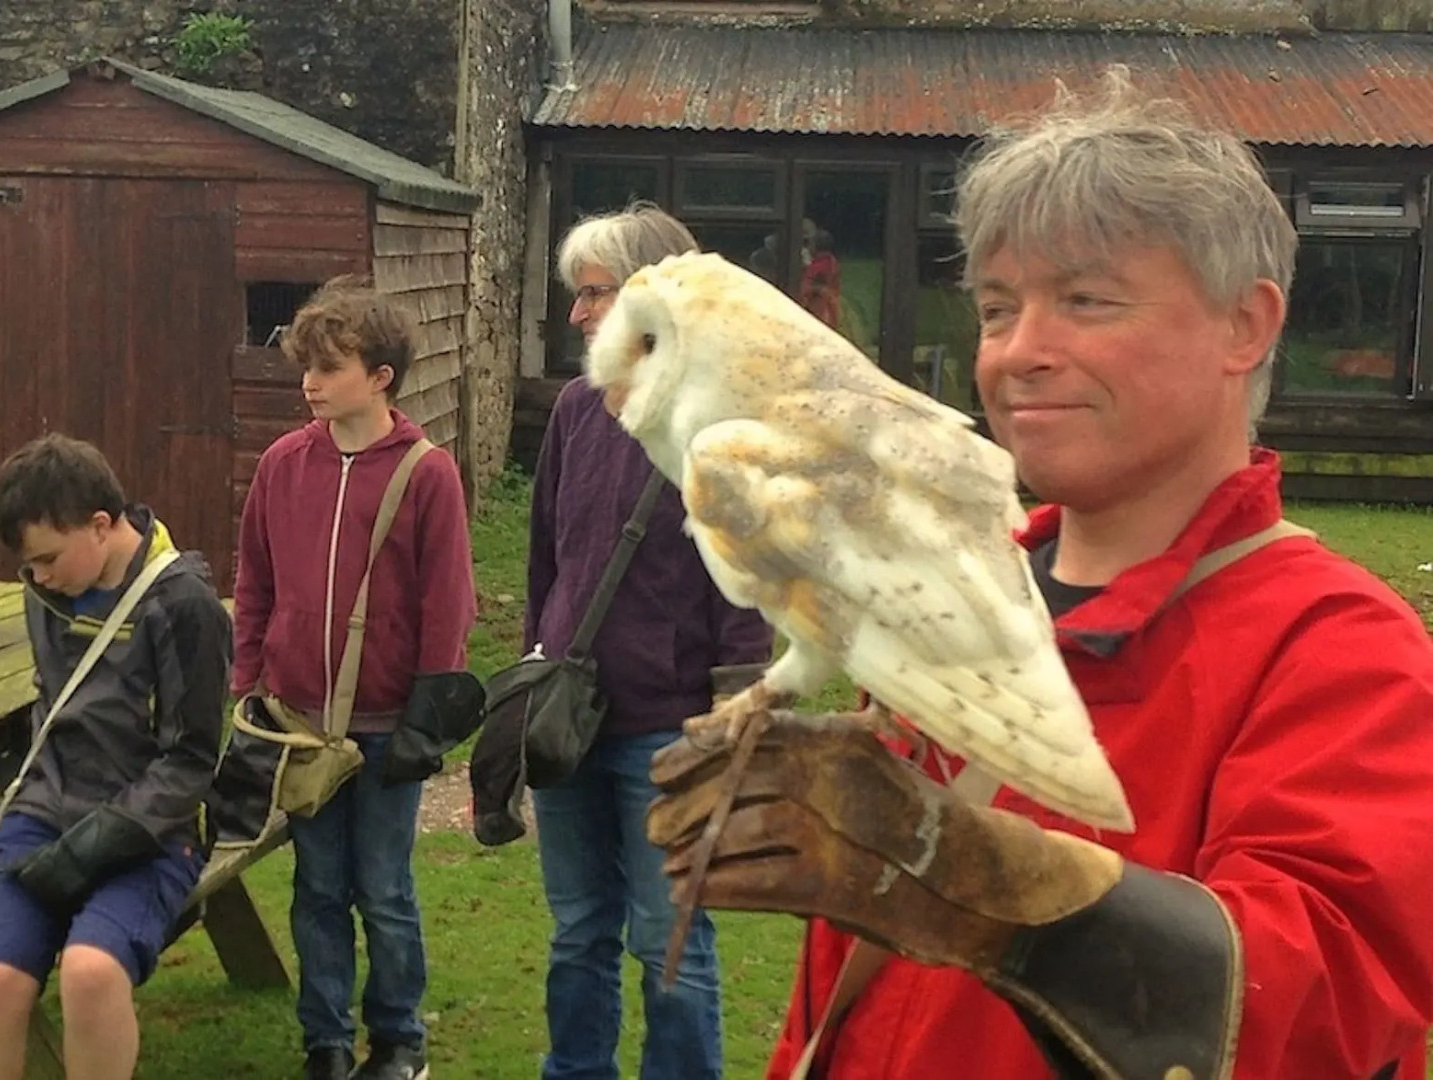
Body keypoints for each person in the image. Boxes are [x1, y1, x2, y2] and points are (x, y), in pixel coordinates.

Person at [645, 67, 1433, 1079]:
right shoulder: (960, 589)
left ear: (1246, 326)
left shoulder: (1335, 647)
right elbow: (851, 994)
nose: (1020, 351)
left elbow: (1316, 1011)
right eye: (995, 306)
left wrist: (988, 890)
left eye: (1086, 301)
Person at [529, 201, 776, 1080]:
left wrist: (732, 707)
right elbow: (547, 559)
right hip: (568, 720)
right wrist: (535, 668)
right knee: (577, 932)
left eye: (591, 293)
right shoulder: (573, 410)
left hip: (665, 728)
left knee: (667, 939)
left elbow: (747, 574)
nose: (577, 314)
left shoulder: (717, 414)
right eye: (576, 295)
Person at [231, 276, 477, 1080]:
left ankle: (399, 1039)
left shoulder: (427, 473)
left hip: (385, 726)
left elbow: (449, 604)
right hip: (299, 722)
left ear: (380, 376)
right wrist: (247, 688)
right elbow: (254, 583)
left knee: (386, 890)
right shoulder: (281, 465)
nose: (310, 381)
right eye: (306, 365)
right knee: (317, 889)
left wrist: (427, 717)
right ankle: (326, 1042)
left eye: (330, 366)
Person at [0, 433, 232, 1080]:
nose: (38, 577)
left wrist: (96, 846)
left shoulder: (185, 605)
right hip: (46, 811)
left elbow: (192, 761)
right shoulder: (42, 591)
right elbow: (53, 711)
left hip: (151, 834)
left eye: (47, 559)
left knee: (89, 971)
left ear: (100, 526)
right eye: (27, 567)